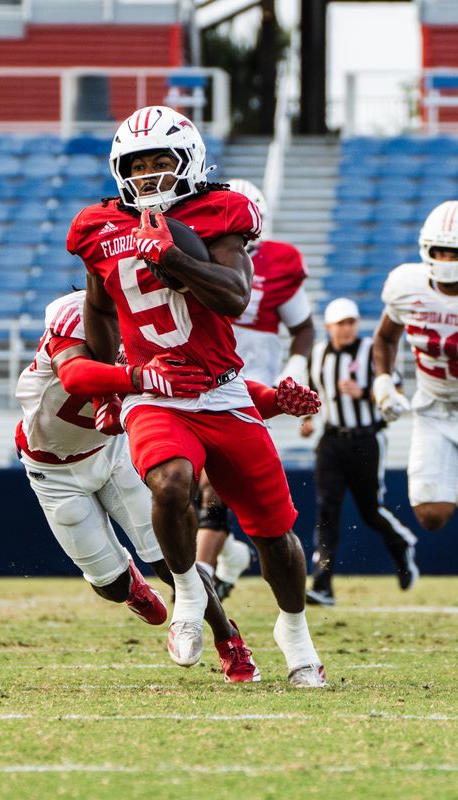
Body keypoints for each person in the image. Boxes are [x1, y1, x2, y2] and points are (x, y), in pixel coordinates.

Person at [69, 105, 326, 687]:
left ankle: (293, 629)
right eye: (138, 165)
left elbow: (235, 296)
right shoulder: (97, 227)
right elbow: (101, 306)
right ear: (119, 170)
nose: (150, 175)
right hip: (155, 391)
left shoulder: (220, 212)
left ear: (189, 160)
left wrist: (174, 258)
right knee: (171, 482)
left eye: (163, 161)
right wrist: (114, 376)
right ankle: (188, 591)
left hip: (221, 390)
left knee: (273, 534)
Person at [14, 289, 262, 683]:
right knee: (110, 586)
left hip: (113, 453)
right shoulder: (72, 315)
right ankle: (128, 583)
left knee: (173, 558)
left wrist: (269, 398)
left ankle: (228, 640)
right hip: (53, 471)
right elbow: (76, 376)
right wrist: (141, 375)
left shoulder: (153, 327)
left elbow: (204, 388)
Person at [195, 178, 315, 600]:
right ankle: (227, 556)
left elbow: (303, 327)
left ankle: (202, 575)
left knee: (214, 481)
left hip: (248, 387)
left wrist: (296, 368)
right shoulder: (194, 251)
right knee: (189, 483)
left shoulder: (278, 263)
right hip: (194, 375)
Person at [301, 297, 419, 607]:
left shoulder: (371, 351)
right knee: (327, 511)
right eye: (341, 323)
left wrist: (364, 394)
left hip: (367, 440)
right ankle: (322, 583)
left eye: (351, 322)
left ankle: (401, 543)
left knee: (369, 510)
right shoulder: (319, 354)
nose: (347, 328)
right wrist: (308, 419)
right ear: (329, 327)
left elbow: (397, 392)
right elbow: (311, 392)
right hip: (330, 442)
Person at [373, 200, 458, 533]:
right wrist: (384, 380)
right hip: (433, 405)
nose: (447, 261)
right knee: (431, 515)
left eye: (455, 253)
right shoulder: (407, 285)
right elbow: (385, 338)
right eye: (441, 251)